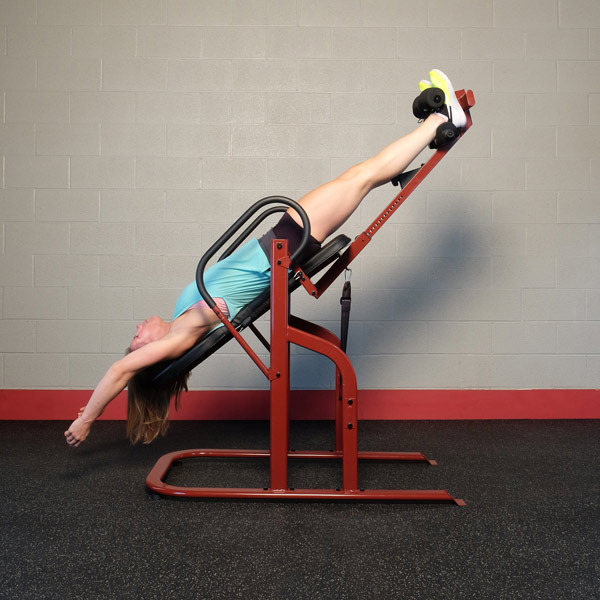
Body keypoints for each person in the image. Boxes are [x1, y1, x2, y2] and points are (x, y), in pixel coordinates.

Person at [64, 69, 466, 447]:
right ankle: (442, 120)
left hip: (282, 238)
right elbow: (121, 370)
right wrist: (88, 419)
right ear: (147, 352)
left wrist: (92, 405)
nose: (138, 328)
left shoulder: (180, 317)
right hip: (287, 244)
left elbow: (123, 371)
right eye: (136, 339)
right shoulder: (179, 336)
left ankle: (433, 128)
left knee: (361, 175)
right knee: (364, 177)